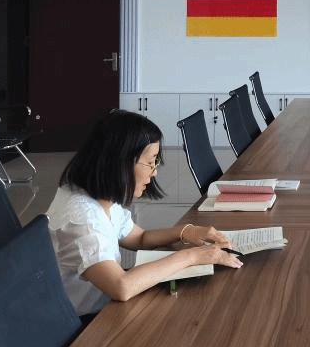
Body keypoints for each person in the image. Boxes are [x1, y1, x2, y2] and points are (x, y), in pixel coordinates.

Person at [47, 110, 242, 319]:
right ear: (121, 161)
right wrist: (193, 256)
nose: (154, 171)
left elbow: (139, 237)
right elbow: (121, 287)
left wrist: (186, 232)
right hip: (84, 322)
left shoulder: (98, 195)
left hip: (105, 305)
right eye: (150, 162)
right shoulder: (80, 218)